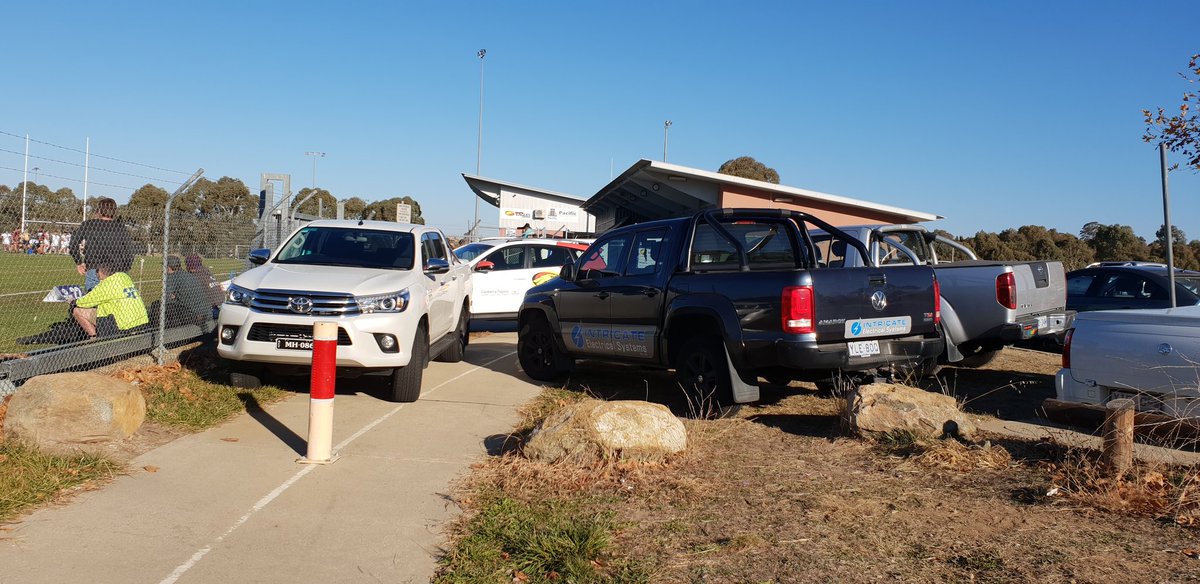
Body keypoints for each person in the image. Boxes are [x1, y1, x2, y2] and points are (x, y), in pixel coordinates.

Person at [70, 197, 135, 291]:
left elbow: (73, 243)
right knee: (115, 301)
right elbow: (129, 251)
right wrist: (126, 268)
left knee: (92, 301)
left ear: (100, 210)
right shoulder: (121, 228)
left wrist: (79, 262)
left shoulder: (89, 225)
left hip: (95, 268)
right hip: (117, 270)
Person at [71, 261, 149, 338]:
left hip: (123, 328)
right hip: (142, 323)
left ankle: (95, 339)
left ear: (100, 273)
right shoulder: (124, 277)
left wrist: (73, 301)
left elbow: (85, 302)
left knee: (77, 311)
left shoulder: (105, 285)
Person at [164, 255, 212, 325]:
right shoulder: (189, 274)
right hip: (208, 312)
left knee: (161, 305)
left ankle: (174, 327)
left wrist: (174, 296)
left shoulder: (172, 277)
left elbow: (166, 298)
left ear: (169, 267)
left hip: (194, 315)